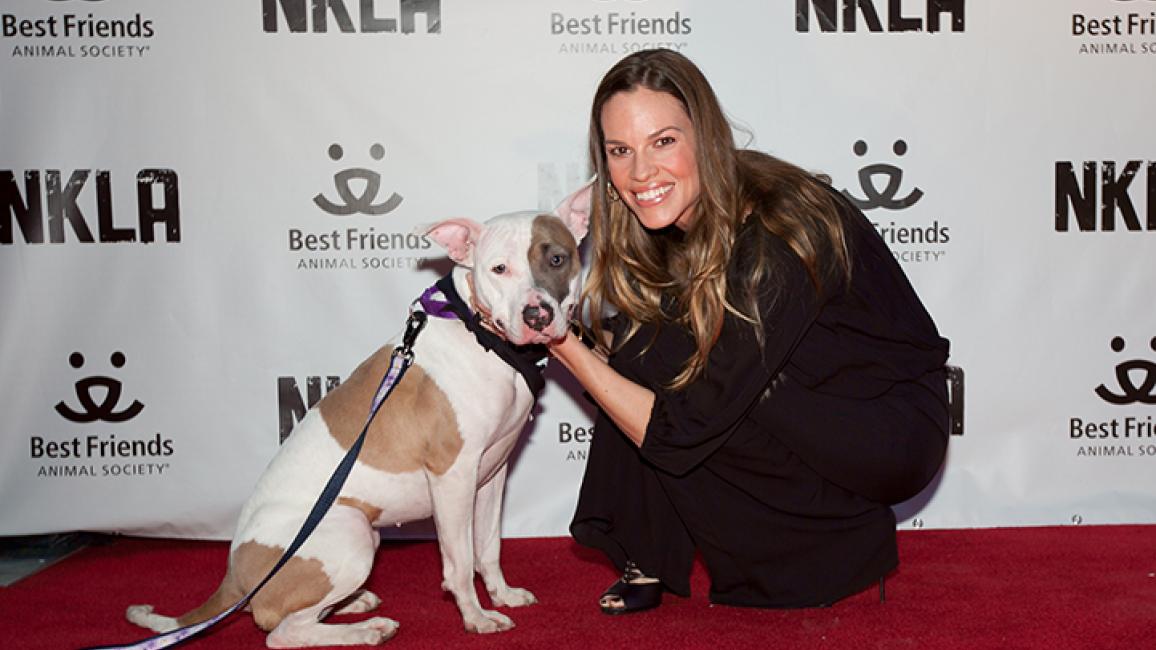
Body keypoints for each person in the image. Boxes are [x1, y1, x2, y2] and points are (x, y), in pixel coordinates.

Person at [546, 49, 951, 614]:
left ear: (705, 138)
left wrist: (562, 347)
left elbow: (687, 425)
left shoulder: (780, 232)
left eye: (663, 142)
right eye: (621, 151)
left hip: (888, 424)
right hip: (806, 393)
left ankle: (830, 552)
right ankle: (647, 554)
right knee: (645, 340)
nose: (641, 173)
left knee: (690, 379)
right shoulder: (676, 218)